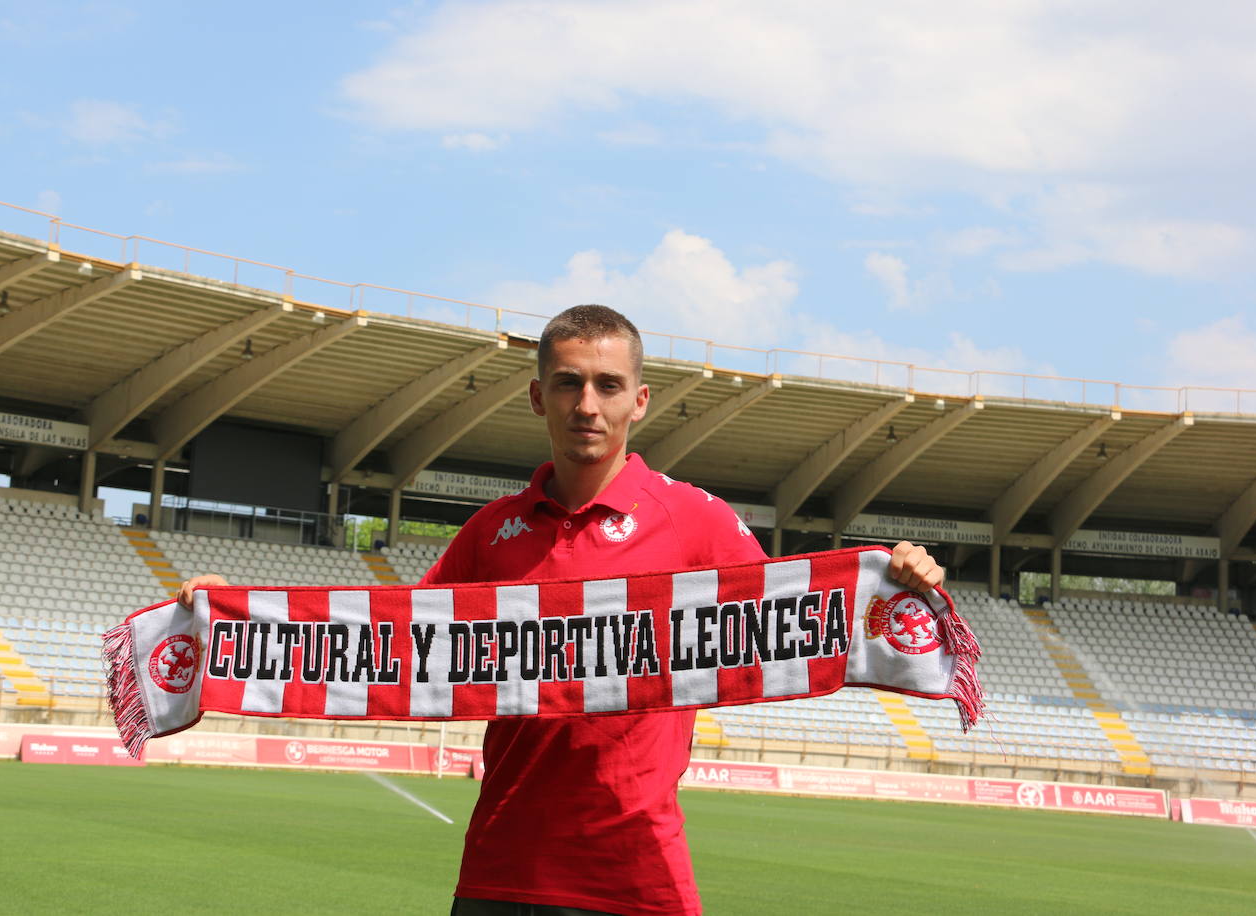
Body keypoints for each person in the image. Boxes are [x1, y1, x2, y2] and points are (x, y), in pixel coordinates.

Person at [180, 305, 944, 916]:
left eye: (608, 385)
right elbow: (390, 644)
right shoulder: (490, 534)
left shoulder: (694, 519)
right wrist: (234, 618)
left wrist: (896, 580)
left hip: (635, 875)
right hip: (501, 869)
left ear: (639, 401)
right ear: (537, 394)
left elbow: (794, 618)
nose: (588, 404)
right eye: (569, 382)